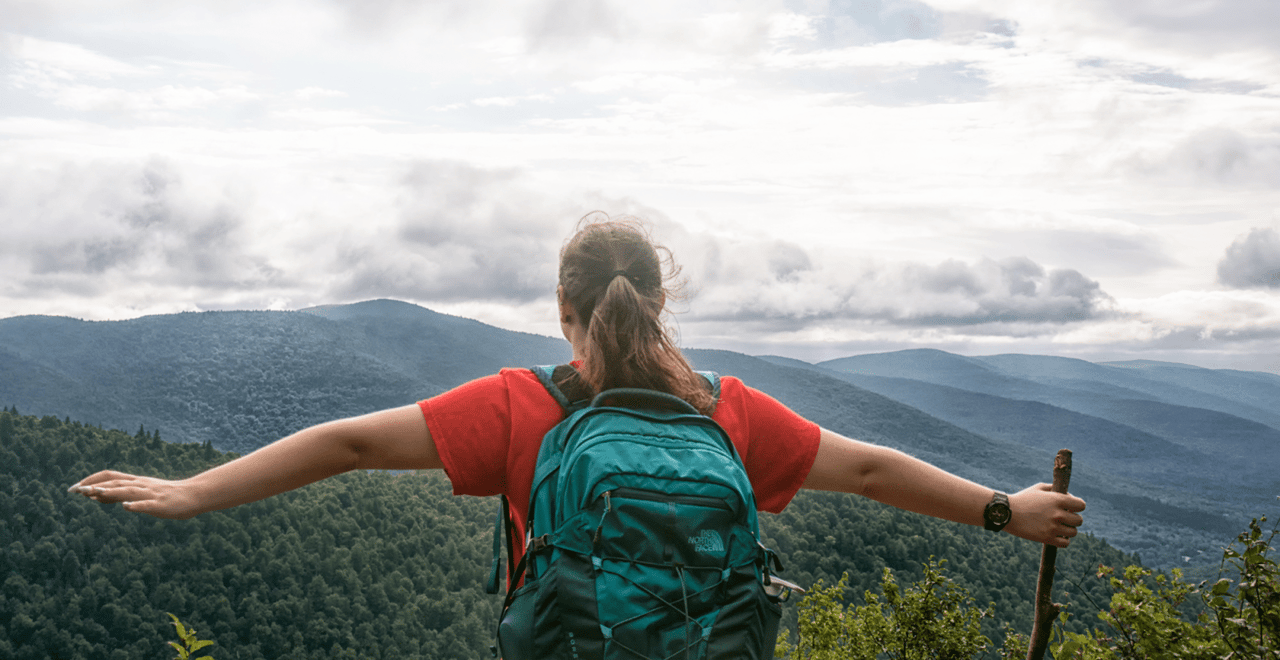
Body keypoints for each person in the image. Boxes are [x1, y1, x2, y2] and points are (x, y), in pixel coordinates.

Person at [71, 215, 1085, 558]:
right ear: (660, 302)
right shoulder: (727, 411)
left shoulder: (520, 404)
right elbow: (864, 469)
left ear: (563, 310)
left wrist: (193, 489)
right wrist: (1003, 508)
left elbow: (347, 443)